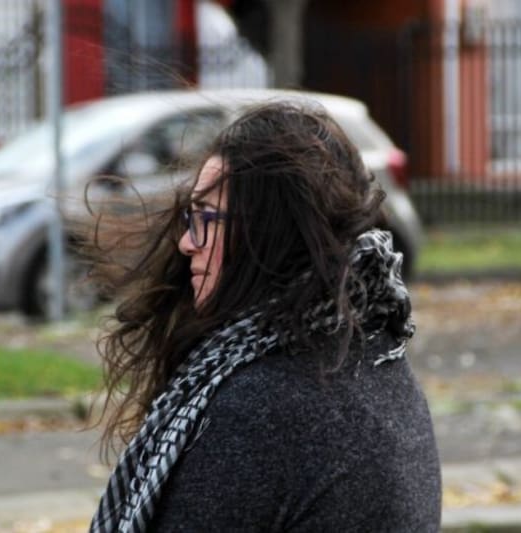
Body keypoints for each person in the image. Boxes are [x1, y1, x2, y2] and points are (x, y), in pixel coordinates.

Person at [87, 101, 441, 532]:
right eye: (190, 217)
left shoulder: (262, 408)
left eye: (206, 218)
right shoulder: (379, 360)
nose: (186, 243)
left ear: (265, 233)